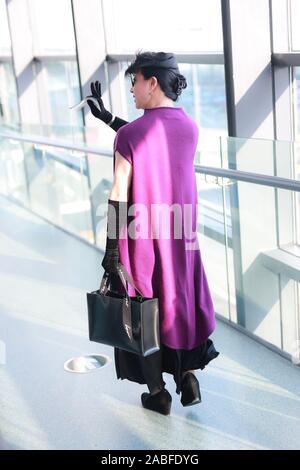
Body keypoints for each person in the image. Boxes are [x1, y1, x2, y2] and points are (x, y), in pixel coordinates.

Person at [87, 51, 219, 416]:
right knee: (180, 302)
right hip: (180, 238)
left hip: (142, 239)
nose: (131, 89)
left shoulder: (130, 135)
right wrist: (110, 119)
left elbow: (118, 190)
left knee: (143, 313)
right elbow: (154, 141)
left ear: (152, 82)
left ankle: (158, 393)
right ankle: (188, 376)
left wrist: (113, 249)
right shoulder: (190, 128)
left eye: (134, 81)